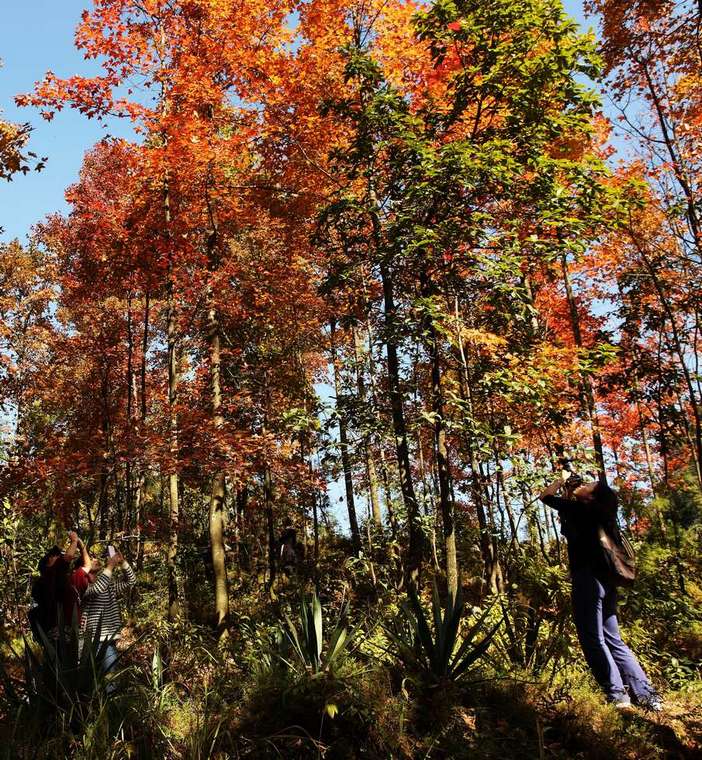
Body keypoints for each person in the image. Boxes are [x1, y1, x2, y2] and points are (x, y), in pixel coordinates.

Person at [540, 472, 661, 711]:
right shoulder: (599, 515)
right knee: (614, 640)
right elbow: (569, 522)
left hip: (588, 580)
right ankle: (648, 696)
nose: (582, 483)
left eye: (588, 484)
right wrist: (572, 490)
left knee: (592, 638)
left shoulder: (582, 511)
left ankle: (617, 695)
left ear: (592, 497)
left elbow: (545, 497)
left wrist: (560, 479)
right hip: (607, 582)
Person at [81, 548, 136, 692]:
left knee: (111, 679)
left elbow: (131, 581)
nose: (95, 559)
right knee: (90, 679)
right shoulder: (84, 587)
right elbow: (98, 589)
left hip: (108, 641)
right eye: (90, 559)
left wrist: (122, 562)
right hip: (91, 641)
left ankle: (110, 707)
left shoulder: (108, 586)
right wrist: (110, 566)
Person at [30, 531, 80, 644]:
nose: (58, 557)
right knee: (62, 659)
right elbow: (69, 556)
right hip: (58, 630)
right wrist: (74, 540)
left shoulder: (49, 579)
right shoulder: (51, 573)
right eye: (54, 556)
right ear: (48, 564)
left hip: (58, 628)